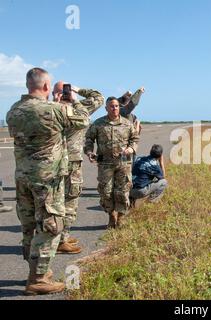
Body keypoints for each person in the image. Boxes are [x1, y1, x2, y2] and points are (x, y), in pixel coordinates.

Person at [6, 68, 89, 295]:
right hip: (47, 180)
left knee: (29, 225)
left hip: (23, 177)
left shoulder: (13, 111)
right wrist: (72, 101)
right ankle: (38, 278)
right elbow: (83, 120)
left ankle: (36, 269)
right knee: (51, 226)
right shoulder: (53, 110)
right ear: (45, 87)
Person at [52, 82, 105, 255]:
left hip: (55, 163)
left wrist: (57, 100)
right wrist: (77, 91)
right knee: (67, 201)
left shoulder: (48, 108)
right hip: (67, 162)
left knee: (61, 201)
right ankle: (60, 240)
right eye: (64, 90)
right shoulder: (79, 107)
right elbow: (98, 97)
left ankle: (62, 237)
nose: (65, 93)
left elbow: (100, 98)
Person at [84, 97, 139, 229]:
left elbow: (135, 138)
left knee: (122, 191)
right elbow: (89, 139)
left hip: (123, 163)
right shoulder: (98, 123)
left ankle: (120, 218)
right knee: (106, 192)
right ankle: (111, 216)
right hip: (105, 164)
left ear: (119, 107)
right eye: (111, 106)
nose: (114, 108)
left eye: (116, 106)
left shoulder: (127, 123)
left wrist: (131, 148)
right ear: (106, 108)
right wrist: (90, 152)